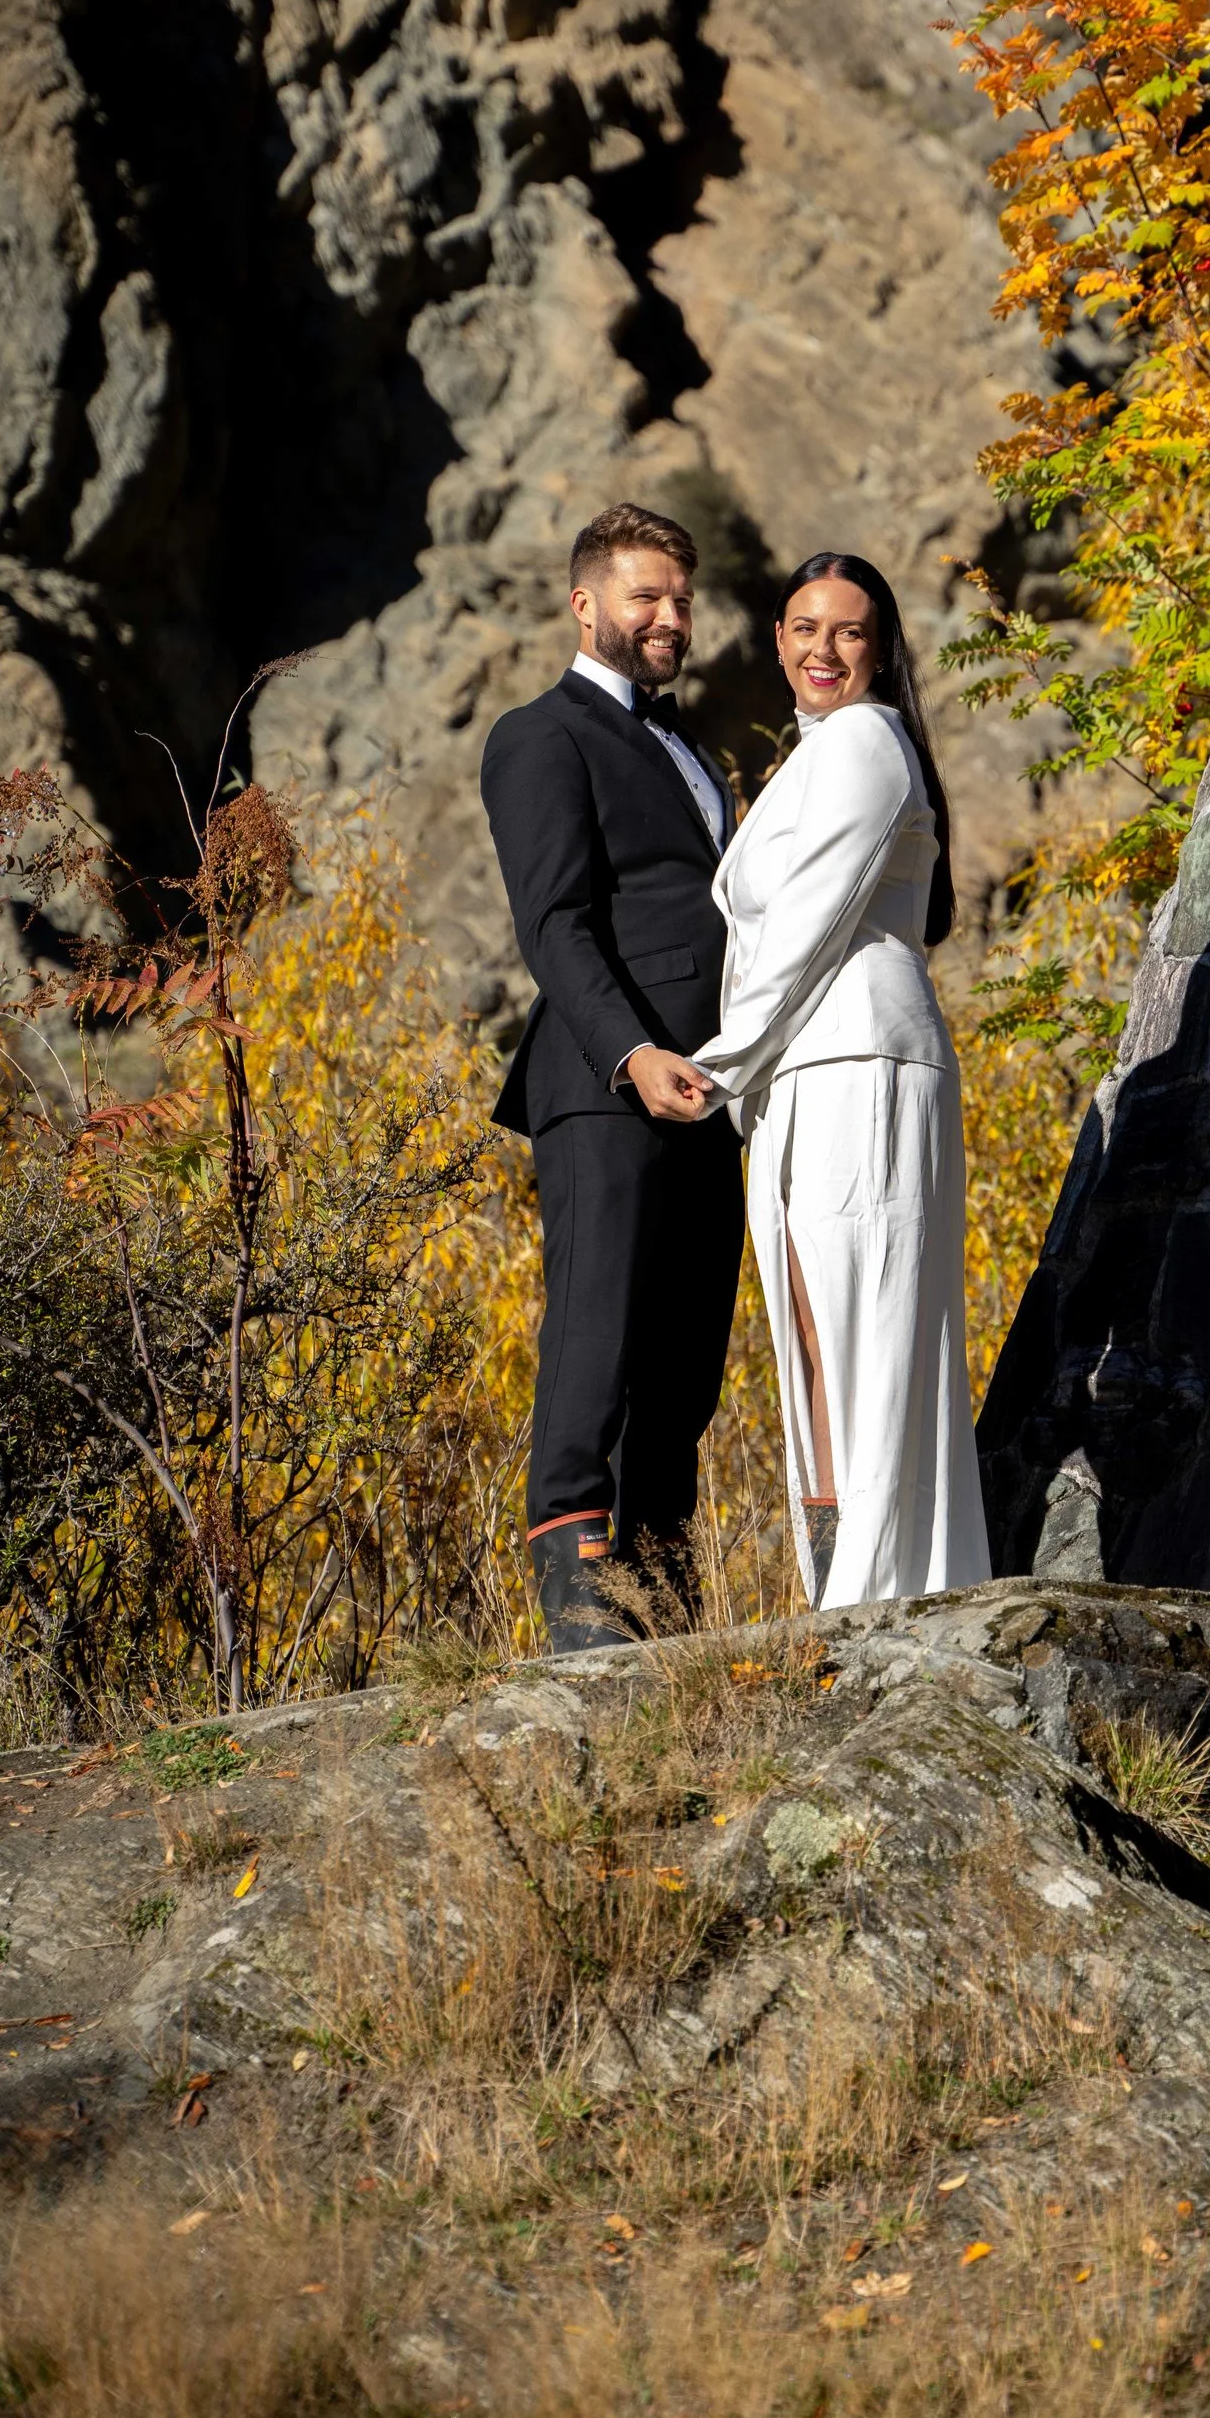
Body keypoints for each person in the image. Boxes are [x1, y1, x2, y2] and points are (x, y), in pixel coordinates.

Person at [686, 554, 990, 1608]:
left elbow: (811, 921)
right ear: (776, 639)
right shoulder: (810, 760)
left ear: (879, 648)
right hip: (796, 1077)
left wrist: (717, 1064)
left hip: (859, 1065)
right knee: (815, 1341)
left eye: (849, 632)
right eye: (804, 628)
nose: (823, 650)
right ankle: (842, 1593)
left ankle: (877, 1591)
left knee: (863, 1329)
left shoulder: (866, 742)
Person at [479, 503, 744, 1651]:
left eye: (680, 599)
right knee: (598, 1336)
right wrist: (632, 1054)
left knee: (685, 1367)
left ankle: (659, 1604)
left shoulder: (693, 749)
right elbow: (556, 924)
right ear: (585, 604)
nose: (668, 618)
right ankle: (580, 1613)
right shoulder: (541, 736)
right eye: (645, 597)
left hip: (712, 1093)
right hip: (605, 1081)